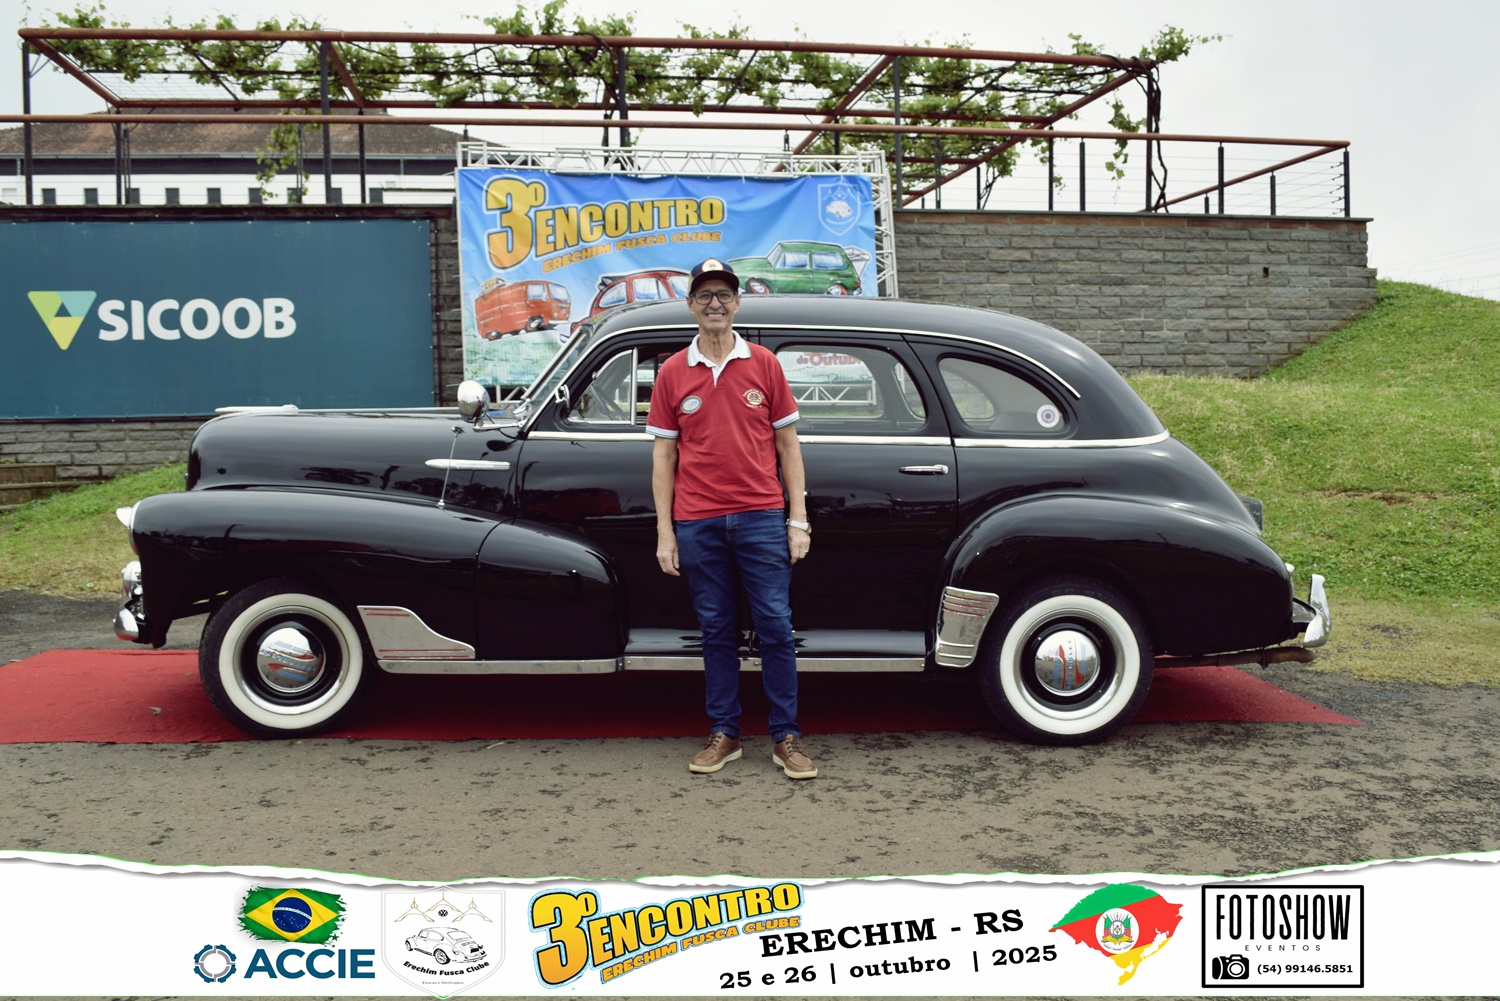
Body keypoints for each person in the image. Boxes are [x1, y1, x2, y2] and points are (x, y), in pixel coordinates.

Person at [646, 258, 815, 779]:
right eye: (704, 295)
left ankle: (785, 735)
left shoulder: (764, 363)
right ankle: (725, 732)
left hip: (761, 515)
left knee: (775, 626)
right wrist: (665, 533)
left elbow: (788, 446)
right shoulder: (673, 372)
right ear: (690, 305)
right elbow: (664, 456)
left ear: (737, 303)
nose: (714, 304)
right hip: (697, 520)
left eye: (723, 295)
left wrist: (798, 519)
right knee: (716, 629)